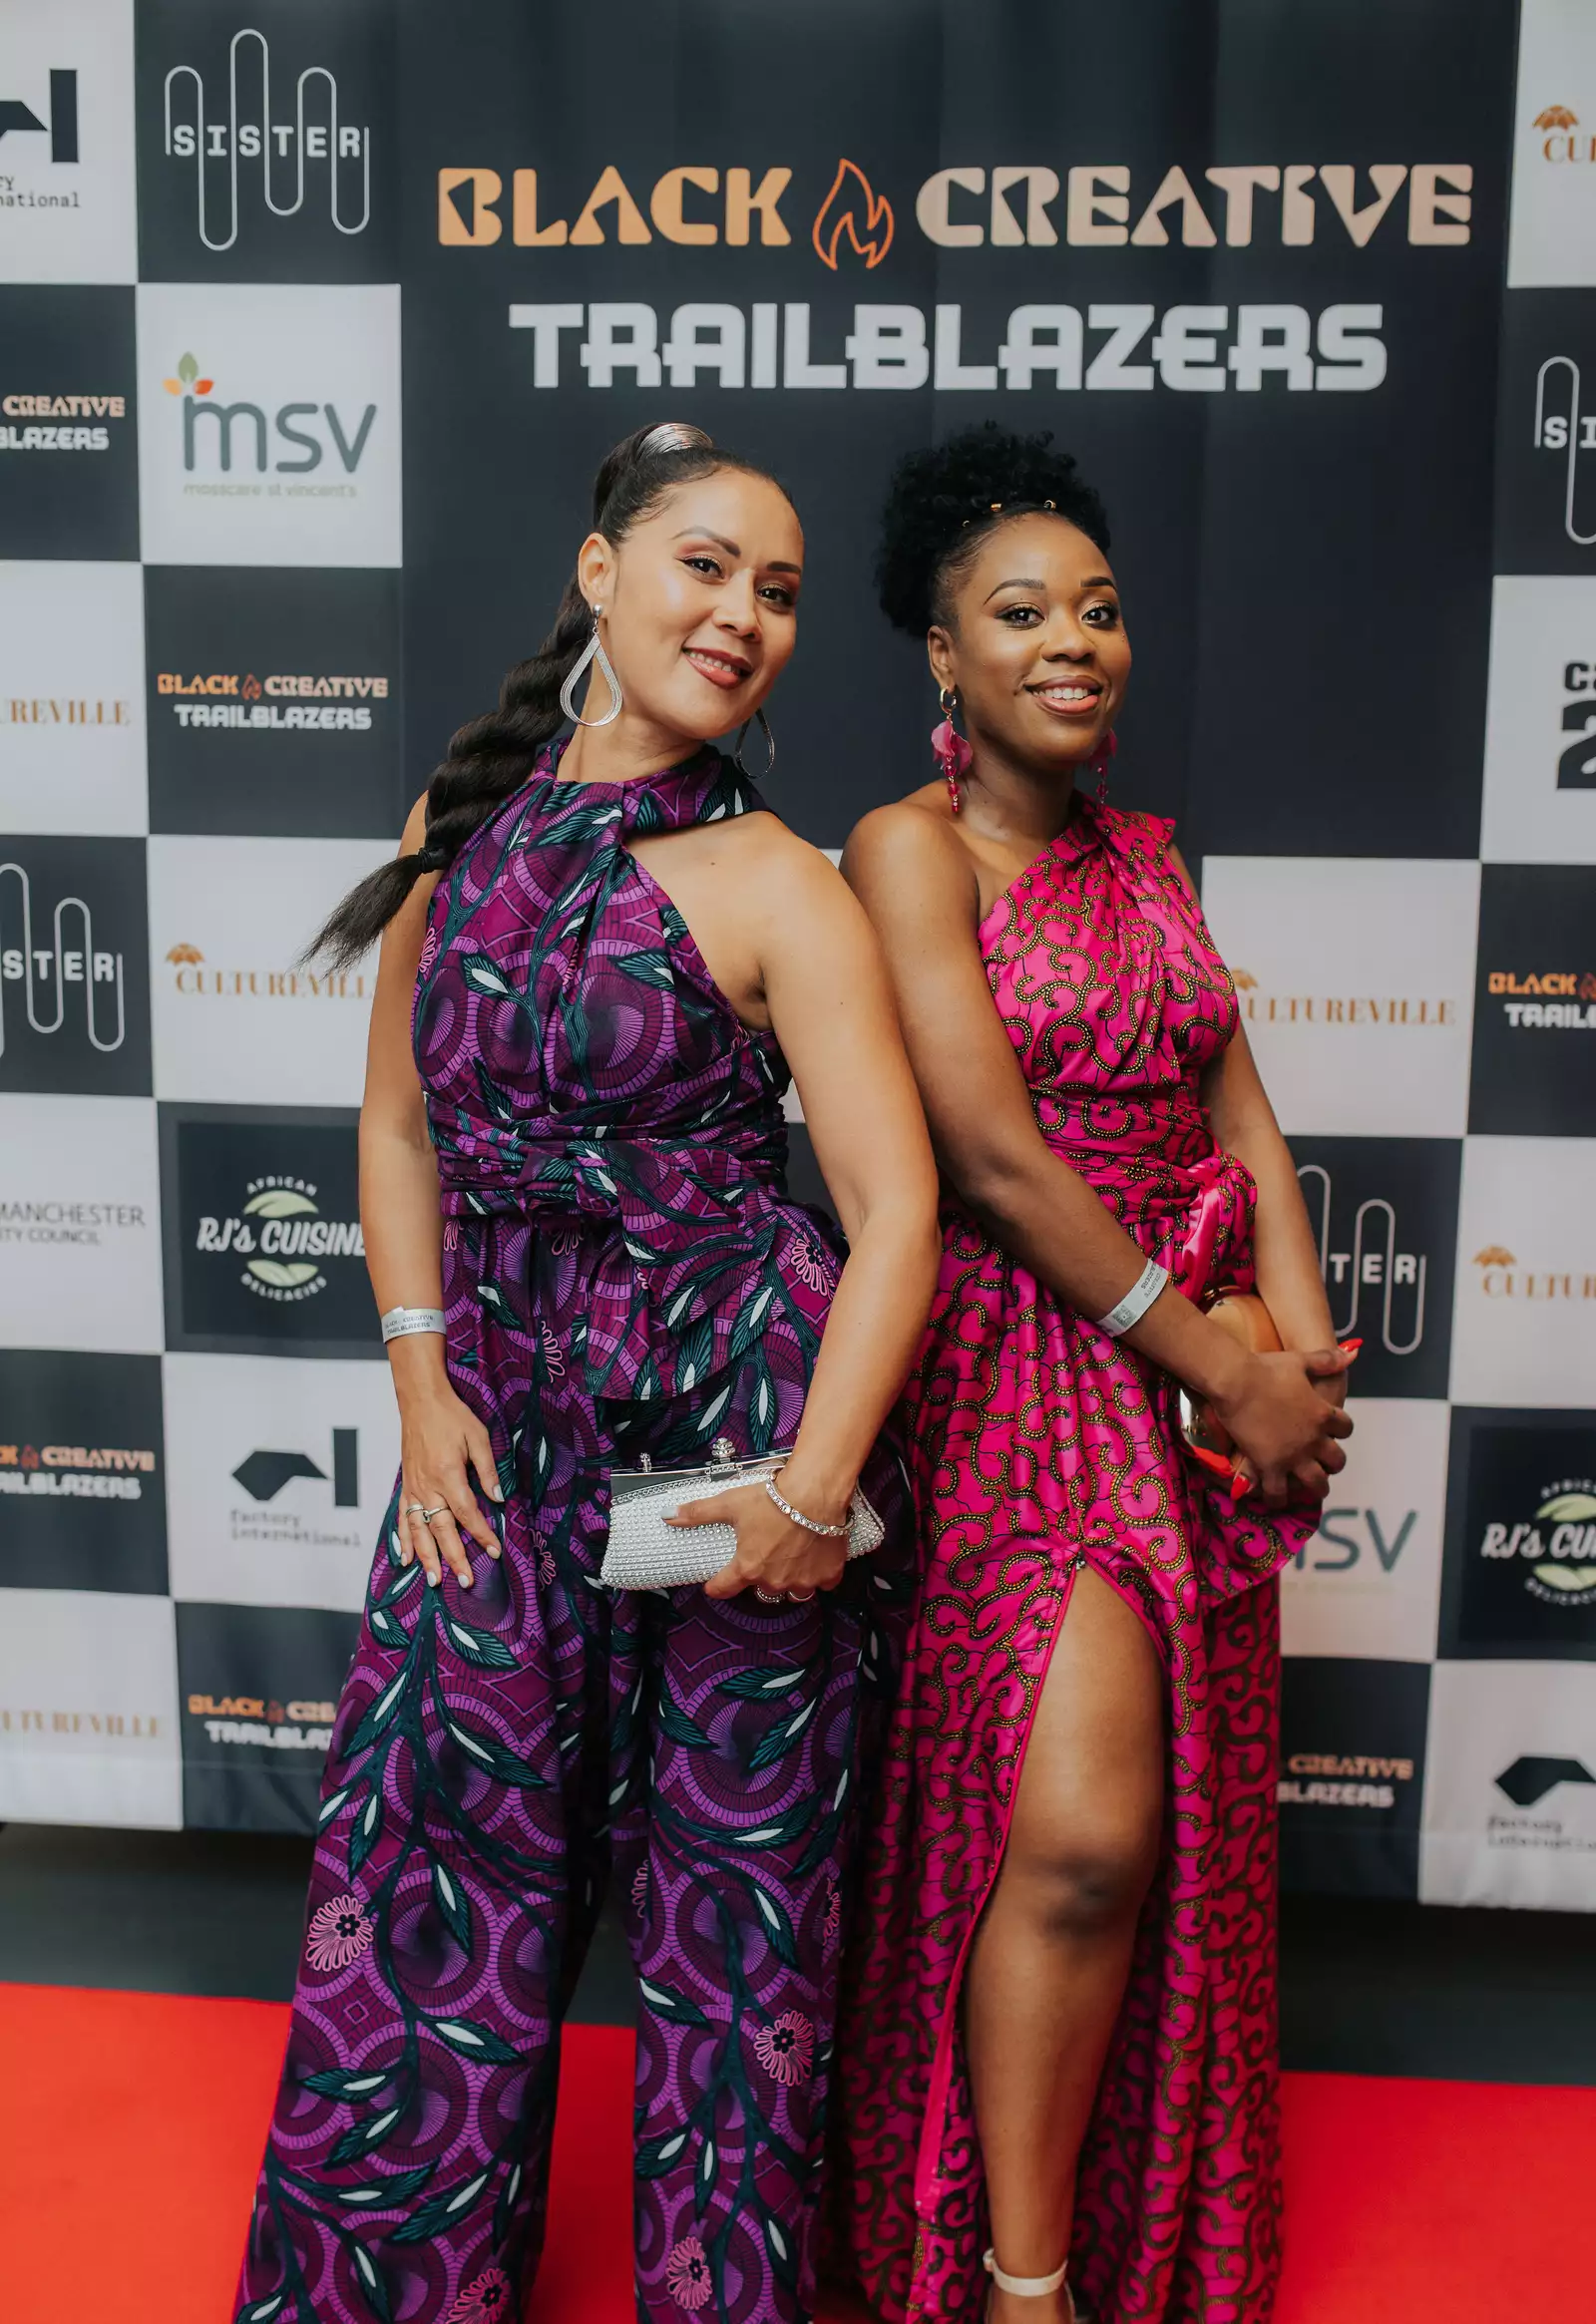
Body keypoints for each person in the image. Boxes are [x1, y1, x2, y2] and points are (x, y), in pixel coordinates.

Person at [235, 421, 940, 2324]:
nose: (744, 615)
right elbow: (396, 1129)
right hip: (498, 1451)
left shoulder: (779, 878)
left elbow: (898, 1218)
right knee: (422, 1917)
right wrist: (419, 1375)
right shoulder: (451, 835)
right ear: (599, 570)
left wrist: (809, 1494)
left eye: (780, 592)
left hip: (728, 1467)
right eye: (707, 565)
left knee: (737, 1967)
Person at [831, 425, 1356, 2324]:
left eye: (1103, 608)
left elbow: (1244, 1107)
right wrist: (1222, 1357)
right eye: (1021, 611)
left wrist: (1293, 1348)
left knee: (1159, 1843)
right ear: (946, 660)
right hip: (1020, 1361)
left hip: (1188, 1367)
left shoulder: (1151, 854)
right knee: (1068, 1836)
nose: (1076, 640)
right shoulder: (907, 849)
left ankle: (1095, 2244)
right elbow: (991, 1158)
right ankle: (1020, 2280)